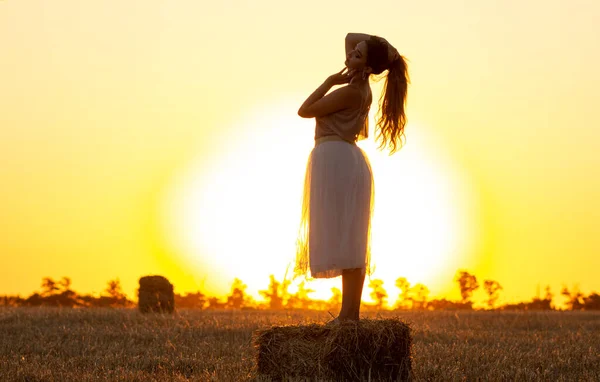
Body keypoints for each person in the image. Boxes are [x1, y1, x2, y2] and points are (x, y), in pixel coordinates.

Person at [293, 32, 409, 323]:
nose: (349, 55)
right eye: (352, 52)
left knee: (347, 237)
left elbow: (304, 111)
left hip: (335, 160)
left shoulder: (349, 91)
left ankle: (349, 314)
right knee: (350, 237)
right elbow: (350, 37)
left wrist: (330, 81)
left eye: (356, 55)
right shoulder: (362, 88)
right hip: (343, 159)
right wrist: (384, 52)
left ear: (367, 68)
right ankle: (349, 314)